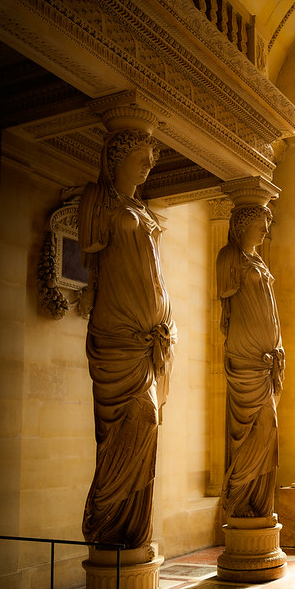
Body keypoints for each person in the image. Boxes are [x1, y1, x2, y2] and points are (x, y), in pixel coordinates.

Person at [77, 129, 176, 549]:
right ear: (115, 159)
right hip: (117, 338)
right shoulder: (96, 199)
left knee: (149, 428)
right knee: (138, 420)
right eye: (141, 155)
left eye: (152, 158)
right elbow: (92, 254)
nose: (149, 165)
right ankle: (105, 520)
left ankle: (132, 530)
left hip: (149, 344)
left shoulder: (140, 207)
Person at [216, 204, 284, 521]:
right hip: (246, 359)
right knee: (260, 426)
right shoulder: (230, 256)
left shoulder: (257, 260)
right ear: (243, 225)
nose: (265, 231)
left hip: (266, 361)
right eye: (261, 224)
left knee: (268, 429)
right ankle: (237, 494)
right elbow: (229, 306)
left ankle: (257, 501)